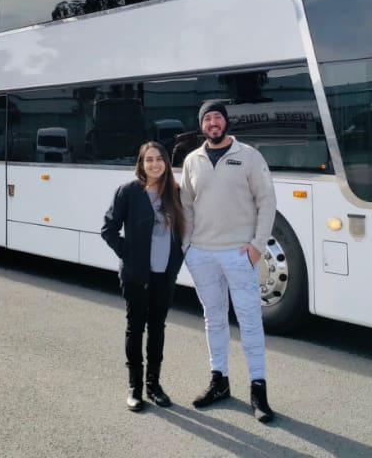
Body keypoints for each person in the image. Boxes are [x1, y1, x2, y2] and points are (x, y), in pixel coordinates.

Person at [180, 100, 277, 423]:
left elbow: (267, 201)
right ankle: (219, 380)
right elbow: (186, 207)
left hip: (238, 253)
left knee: (250, 321)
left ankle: (258, 389)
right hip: (202, 254)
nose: (213, 123)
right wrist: (187, 249)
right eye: (207, 118)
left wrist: (256, 246)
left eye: (217, 117)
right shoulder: (192, 160)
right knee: (214, 318)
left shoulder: (249, 156)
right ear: (202, 125)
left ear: (226, 122)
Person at [102, 141, 185, 412]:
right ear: (141, 163)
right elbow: (109, 229)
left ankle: (154, 385)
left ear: (166, 163)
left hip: (164, 274)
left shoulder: (175, 193)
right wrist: (129, 254)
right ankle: (135, 387)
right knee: (135, 327)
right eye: (148, 159)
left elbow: (184, 232)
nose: (154, 164)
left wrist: (176, 262)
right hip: (136, 274)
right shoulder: (128, 192)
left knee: (157, 328)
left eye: (159, 159)